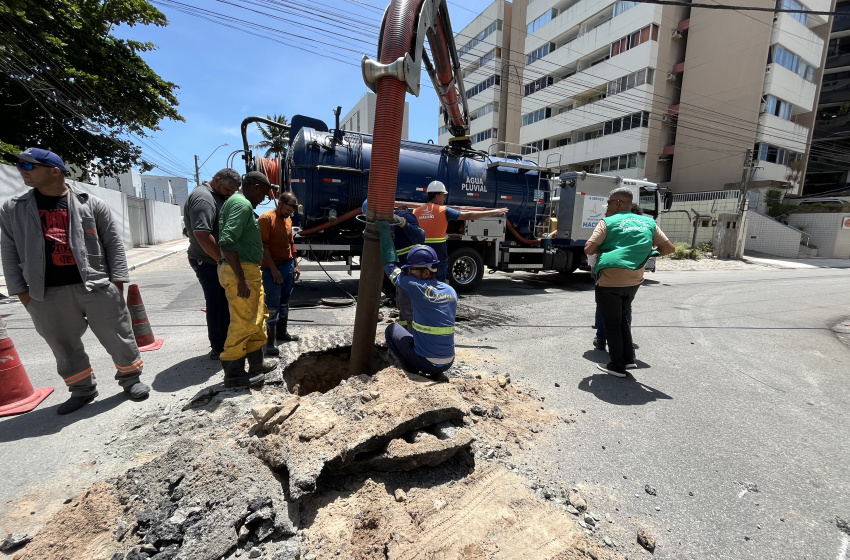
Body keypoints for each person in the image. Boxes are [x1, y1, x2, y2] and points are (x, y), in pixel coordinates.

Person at [0, 148, 150, 414]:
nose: (22, 170)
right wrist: (22, 293)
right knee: (63, 345)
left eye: (28, 166)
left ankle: (130, 380)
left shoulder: (89, 203)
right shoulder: (14, 208)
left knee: (118, 337)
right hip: (45, 293)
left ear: (54, 171)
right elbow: (9, 251)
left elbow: (113, 245)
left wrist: (116, 284)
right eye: (20, 165)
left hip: (96, 286)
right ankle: (82, 389)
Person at [584, 187, 675, 377]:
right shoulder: (648, 222)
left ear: (617, 203)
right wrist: (646, 254)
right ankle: (629, 360)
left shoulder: (607, 222)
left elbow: (589, 248)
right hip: (634, 278)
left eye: (609, 203)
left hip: (610, 278)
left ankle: (617, 366)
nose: (607, 207)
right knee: (622, 317)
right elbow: (668, 248)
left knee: (612, 322)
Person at [218, 171, 278, 387]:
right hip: (241, 271)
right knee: (243, 322)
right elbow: (226, 241)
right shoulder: (241, 205)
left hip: (248, 270)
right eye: (264, 193)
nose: (264, 198)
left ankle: (255, 364)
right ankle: (233, 373)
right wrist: (240, 278)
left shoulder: (237, 203)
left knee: (258, 317)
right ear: (255, 187)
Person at [378, 221, 458, 380]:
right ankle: (437, 374)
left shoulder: (416, 287)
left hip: (425, 362)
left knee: (391, 330)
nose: (408, 272)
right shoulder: (451, 291)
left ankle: (412, 372)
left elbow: (390, 266)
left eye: (411, 269)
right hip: (449, 361)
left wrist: (384, 233)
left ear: (425, 272)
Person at [184, 168, 241, 360]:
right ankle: (219, 348)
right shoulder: (203, 198)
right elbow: (202, 234)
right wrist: (223, 261)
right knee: (216, 303)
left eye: (233, 192)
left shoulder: (216, 195)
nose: (230, 194)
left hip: (215, 260)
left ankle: (225, 343)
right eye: (228, 190)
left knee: (224, 303)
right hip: (207, 261)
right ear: (217, 180)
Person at [413, 181, 508, 282]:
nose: (444, 199)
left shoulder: (416, 212)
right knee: (439, 283)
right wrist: (493, 212)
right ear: (437, 196)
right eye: (443, 195)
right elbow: (468, 216)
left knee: (421, 281)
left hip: (421, 254)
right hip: (439, 254)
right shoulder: (443, 210)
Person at [362, 199, 425, 332]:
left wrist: (403, 223)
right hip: (400, 271)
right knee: (403, 306)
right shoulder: (379, 226)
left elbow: (420, 237)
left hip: (412, 271)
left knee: (409, 310)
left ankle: (411, 339)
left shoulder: (404, 216)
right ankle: (403, 333)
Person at [591, 203, 642, 351]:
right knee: (625, 308)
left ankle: (602, 338)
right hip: (633, 273)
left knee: (603, 306)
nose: (608, 211)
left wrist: (593, 267)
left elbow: (592, 248)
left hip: (608, 272)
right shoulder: (641, 227)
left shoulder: (609, 224)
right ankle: (625, 341)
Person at [259, 191, 301, 356]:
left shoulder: (288, 220)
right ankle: (270, 342)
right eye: (288, 210)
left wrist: (295, 265)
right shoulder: (266, 219)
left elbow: (291, 243)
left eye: (291, 212)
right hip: (271, 269)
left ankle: (282, 333)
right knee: (272, 304)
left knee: (284, 302)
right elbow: (264, 247)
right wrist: (274, 269)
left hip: (287, 266)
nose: (289, 214)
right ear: (280, 203)